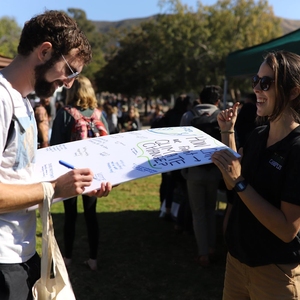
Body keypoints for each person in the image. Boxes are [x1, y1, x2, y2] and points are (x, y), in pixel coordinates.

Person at [0, 10, 112, 300]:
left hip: (22, 252)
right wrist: (53, 189)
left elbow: (20, 176)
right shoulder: (1, 101)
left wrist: (76, 185)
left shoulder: (24, 103)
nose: (69, 83)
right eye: (70, 71)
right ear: (45, 51)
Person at [211, 50, 300, 299]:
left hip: (274, 272)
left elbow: (286, 229)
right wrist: (227, 132)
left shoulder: (297, 148)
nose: (257, 89)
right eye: (255, 80)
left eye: (266, 82)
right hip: (237, 263)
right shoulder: (258, 135)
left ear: (293, 92)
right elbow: (232, 184)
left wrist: (240, 182)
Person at [50, 75, 108, 271]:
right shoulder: (100, 115)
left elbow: (55, 146)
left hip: (70, 173)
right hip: (93, 173)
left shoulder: (65, 113)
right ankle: (93, 258)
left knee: (70, 215)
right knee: (91, 214)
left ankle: (67, 257)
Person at [180, 86, 222, 267]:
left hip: (194, 171)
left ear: (199, 99)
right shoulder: (222, 116)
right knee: (210, 211)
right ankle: (212, 247)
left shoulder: (188, 116)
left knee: (198, 213)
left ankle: (202, 253)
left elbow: (180, 144)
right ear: (217, 101)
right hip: (214, 170)